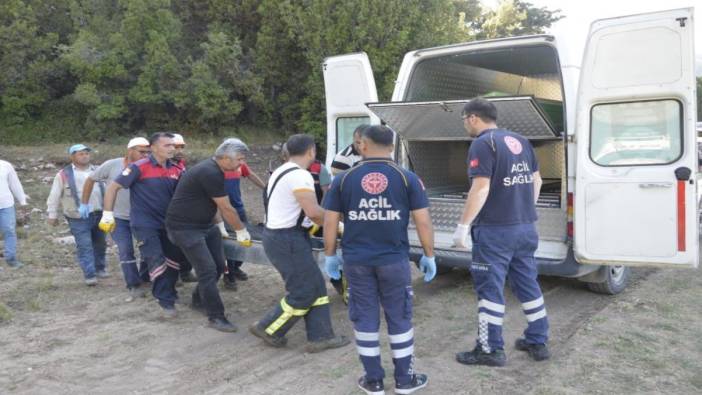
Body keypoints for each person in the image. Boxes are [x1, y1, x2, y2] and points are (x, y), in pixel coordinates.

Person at [323, 125, 436, 395]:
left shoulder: (343, 179)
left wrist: (330, 256)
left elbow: (329, 222)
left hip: (356, 261)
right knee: (399, 317)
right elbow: (423, 221)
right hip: (394, 261)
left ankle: (373, 381)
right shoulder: (408, 178)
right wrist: (430, 255)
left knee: (364, 318)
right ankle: (405, 381)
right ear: (391, 146)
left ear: (362, 145)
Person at [452, 98, 550, 366]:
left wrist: (463, 226)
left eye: (464, 120)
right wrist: (521, 208)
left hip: (495, 232)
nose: (465, 125)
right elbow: (536, 180)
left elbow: (480, 188)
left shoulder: (482, 143)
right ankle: (538, 340)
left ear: (473, 117)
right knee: (528, 282)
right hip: (525, 227)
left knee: (489, 290)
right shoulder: (521, 140)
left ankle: (489, 349)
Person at [249, 134, 349, 353]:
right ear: (311, 151)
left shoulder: (280, 170)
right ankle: (269, 327)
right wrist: (341, 223)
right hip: (287, 239)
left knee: (316, 286)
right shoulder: (300, 175)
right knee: (303, 292)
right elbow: (313, 213)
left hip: (282, 236)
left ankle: (321, 337)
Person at [166, 138, 253, 332]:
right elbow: (226, 206)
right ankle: (216, 317)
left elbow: (212, 203)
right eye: (239, 159)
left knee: (219, 267)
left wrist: (220, 226)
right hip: (184, 228)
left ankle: (198, 300)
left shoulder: (217, 170)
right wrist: (241, 230)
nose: (242, 164)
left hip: (205, 225)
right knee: (207, 271)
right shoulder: (209, 171)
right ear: (223, 157)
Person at [100, 132, 187, 318]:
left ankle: (169, 291)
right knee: (155, 258)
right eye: (167, 145)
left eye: (173, 145)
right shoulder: (138, 167)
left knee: (173, 259)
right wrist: (107, 214)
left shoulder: (177, 169)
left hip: (170, 223)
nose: (172, 148)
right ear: (153, 148)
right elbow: (113, 187)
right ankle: (166, 301)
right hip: (145, 223)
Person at [81, 137, 150, 300]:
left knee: (147, 249)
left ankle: (146, 277)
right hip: (118, 217)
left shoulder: (149, 166)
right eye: (141, 152)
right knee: (126, 250)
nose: (145, 155)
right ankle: (133, 285)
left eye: (148, 152)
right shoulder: (112, 165)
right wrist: (85, 203)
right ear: (130, 151)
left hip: (142, 217)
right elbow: (91, 179)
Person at [46, 144, 107, 285]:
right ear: (72, 157)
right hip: (77, 216)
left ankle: (100, 268)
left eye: (86, 153)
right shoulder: (63, 174)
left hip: (99, 213)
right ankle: (90, 274)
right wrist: (52, 215)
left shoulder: (98, 170)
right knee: (84, 245)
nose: (85, 156)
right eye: (81, 154)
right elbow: (54, 195)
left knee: (100, 243)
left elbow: (109, 188)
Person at [221, 148, 266, 290]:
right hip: (224, 209)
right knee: (229, 242)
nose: (240, 161)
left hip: (238, 208)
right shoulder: (220, 167)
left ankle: (236, 267)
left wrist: (267, 188)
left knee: (244, 239)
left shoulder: (240, 165)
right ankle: (228, 275)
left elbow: (250, 175)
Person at [169, 132, 197, 283]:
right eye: (176, 147)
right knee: (171, 245)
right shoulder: (165, 166)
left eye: (182, 147)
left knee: (185, 244)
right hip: (168, 211)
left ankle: (185, 271)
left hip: (183, 211)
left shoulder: (181, 165)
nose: (179, 150)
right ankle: (174, 275)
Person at [0, 159, 28, 268]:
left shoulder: (5, 165)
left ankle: (11, 259)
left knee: (9, 230)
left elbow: (15, 184)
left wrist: (22, 201)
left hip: (6, 204)